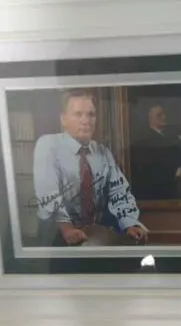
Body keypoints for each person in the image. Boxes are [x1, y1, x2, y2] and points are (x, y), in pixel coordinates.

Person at [33, 90, 148, 246]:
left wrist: (130, 224)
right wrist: (67, 229)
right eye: (78, 114)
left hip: (93, 235)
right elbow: (48, 194)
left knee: (139, 253)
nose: (86, 120)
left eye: (91, 114)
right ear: (64, 119)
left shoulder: (103, 152)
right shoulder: (48, 146)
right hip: (57, 235)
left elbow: (119, 192)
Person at [132, 103, 181, 199]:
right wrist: (177, 171)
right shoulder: (144, 140)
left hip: (175, 189)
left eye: (164, 114)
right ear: (149, 117)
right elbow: (150, 169)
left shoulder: (170, 136)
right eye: (159, 115)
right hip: (156, 192)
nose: (164, 117)